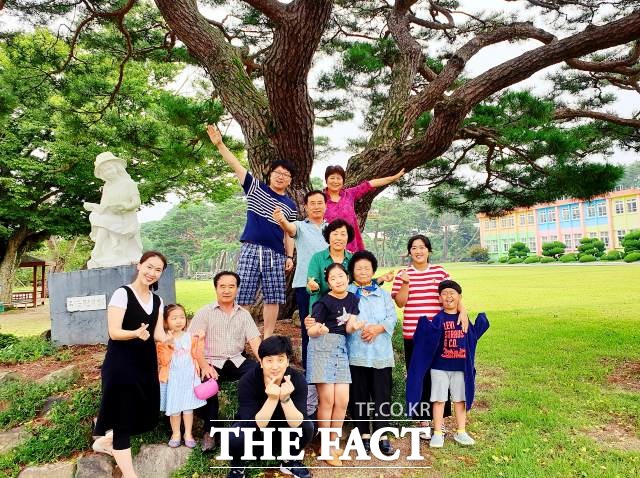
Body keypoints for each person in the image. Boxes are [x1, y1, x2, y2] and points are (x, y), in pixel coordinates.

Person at [206, 124, 296, 339]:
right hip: (250, 248)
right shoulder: (255, 188)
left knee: (273, 296)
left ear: (290, 180)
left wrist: (289, 256)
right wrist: (220, 145)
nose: (281, 177)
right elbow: (236, 165)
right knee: (244, 294)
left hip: (276, 253)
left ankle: (268, 336)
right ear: (270, 174)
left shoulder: (290, 205)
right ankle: (248, 335)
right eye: (278, 172)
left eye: (286, 174)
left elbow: (289, 234)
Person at [92, 251, 169, 478]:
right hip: (120, 364)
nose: (152, 273)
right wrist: (135, 333)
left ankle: (106, 442)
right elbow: (114, 332)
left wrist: (177, 337)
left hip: (145, 365)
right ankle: (130, 475)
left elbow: (158, 334)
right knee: (123, 419)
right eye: (149, 267)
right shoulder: (122, 294)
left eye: (157, 270)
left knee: (140, 414)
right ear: (139, 266)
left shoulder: (158, 300)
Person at [391, 235, 469, 434]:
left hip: (439, 334)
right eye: (414, 248)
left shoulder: (440, 272)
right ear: (409, 252)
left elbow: (452, 295)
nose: (418, 251)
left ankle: (439, 420)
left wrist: (464, 311)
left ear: (429, 251)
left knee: (440, 377)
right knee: (419, 377)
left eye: (422, 247)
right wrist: (406, 283)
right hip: (413, 335)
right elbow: (400, 302)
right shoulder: (403, 274)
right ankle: (423, 421)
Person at [406, 280, 489, 448]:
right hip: (439, 368)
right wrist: (423, 328)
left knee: (460, 400)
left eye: (452, 293)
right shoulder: (438, 319)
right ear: (439, 299)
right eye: (444, 293)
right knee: (438, 399)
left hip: (460, 367)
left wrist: (481, 321)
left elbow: (473, 337)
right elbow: (427, 340)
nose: (448, 296)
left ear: (460, 297)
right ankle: (437, 433)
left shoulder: (464, 319)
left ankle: (461, 431)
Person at [188, 271, 261, 451]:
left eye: (231, 286)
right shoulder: (205, 313)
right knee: (209, 386)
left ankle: (242, 425)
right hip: (212, 361)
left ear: (237, 289)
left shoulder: (244, 314)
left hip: (237, 360)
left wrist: (264, 362)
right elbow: (193, 343)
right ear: (216, 288)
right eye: (222, 286)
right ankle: (210, 432)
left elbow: (255, 341)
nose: (227, 290)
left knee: (258, 373)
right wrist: (204, 365)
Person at [226, 336, 313, 478]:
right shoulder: (248, 381)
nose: (275, 366)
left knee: (307, 426)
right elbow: (251, 424)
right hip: (256, 435)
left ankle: (288, 461)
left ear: (287, 362)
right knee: (235, 434)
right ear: (261, 362)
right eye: (269, 360)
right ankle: (238, 467)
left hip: (283, 435)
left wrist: (285, 399)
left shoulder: (297, 380)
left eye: (280, 359)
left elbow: (298, 423)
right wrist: (272, 399)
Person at [306, 263, 364, 466]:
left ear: (347, 277)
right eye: (333, 278)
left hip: (340, 349)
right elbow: (311, 331)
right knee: (327, 400)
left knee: (342, 400)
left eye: (341, 276)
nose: (338, 280)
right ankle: (324, 446)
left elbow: (348, 327)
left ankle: (333, 442)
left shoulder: (353, 299)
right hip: (322, 347)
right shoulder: (323, 303)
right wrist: (319, 330)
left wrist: (355, 326)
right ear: (328, 283)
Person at [346, 250, 397, 456]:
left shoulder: (383, 295)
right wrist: (361, 328)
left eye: (367, 268)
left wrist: (377, 329)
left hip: (380, 353)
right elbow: (343, 317)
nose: (363, 271)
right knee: (359, 394)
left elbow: (391, 317)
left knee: (381, 396)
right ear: (352, 271)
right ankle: (363, 434)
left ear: (373, 270)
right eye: (359, 268)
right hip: (356, 352)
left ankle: (381, 435)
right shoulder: (347, 293)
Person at [272, 189, 327, 370]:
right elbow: (289, 229)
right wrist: (281, 220)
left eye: (320, 203)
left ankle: (327, 366)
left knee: (330, 325)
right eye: (312, 203)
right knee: (309, 327)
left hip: (330, 286)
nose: (317, 207)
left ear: (326, 205)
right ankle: (310, 370)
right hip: (305, 285)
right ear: (306, 207)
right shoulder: (300, 226)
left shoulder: (332, 228)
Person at [156, 304, 207, 448]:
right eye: (174, 318)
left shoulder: (190, 337)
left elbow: (198, 353)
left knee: (188, 408)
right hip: (173, 379)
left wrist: (201, 340)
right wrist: (169, 344)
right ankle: (176, 433)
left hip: (189, 378)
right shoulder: (163, 340)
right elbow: (164, 361)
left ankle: (188, 433)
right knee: (175, 409)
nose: (179, 321)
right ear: (166, 322)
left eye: (182, 317)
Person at [323, 164, 405, 253]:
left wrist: (393, 178)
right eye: (332, 178)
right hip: (328, 247)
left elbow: (370, 184)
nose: (335, 181)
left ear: (343, 181)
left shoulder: (349, 194)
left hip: (351, 246)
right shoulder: (319, 199)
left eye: (339, 178)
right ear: (326, 180)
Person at [84, 152, 143, 269]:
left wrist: (125, 207)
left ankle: (98, 250)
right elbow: (104, 207)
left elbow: (137, 202)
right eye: (104, 171)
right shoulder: (107, 187)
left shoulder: (128, 183)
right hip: (111, 216)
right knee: (97, 216)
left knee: (103, 221)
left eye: (109, 169)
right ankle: (99, 251)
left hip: (126, 217)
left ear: (116, 167)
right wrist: (92, 206)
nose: (108, 173)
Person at [305, 219, 354, 314]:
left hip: (348, 311)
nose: (339, 238)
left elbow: (362, 281)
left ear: (348, 237)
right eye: (335, 234)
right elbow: (311, 284)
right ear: (328, 236)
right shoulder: (317, 258)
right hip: (321, 310)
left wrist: (380, 279)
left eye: (343, 234)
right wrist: (313, 286)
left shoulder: (353, 259)